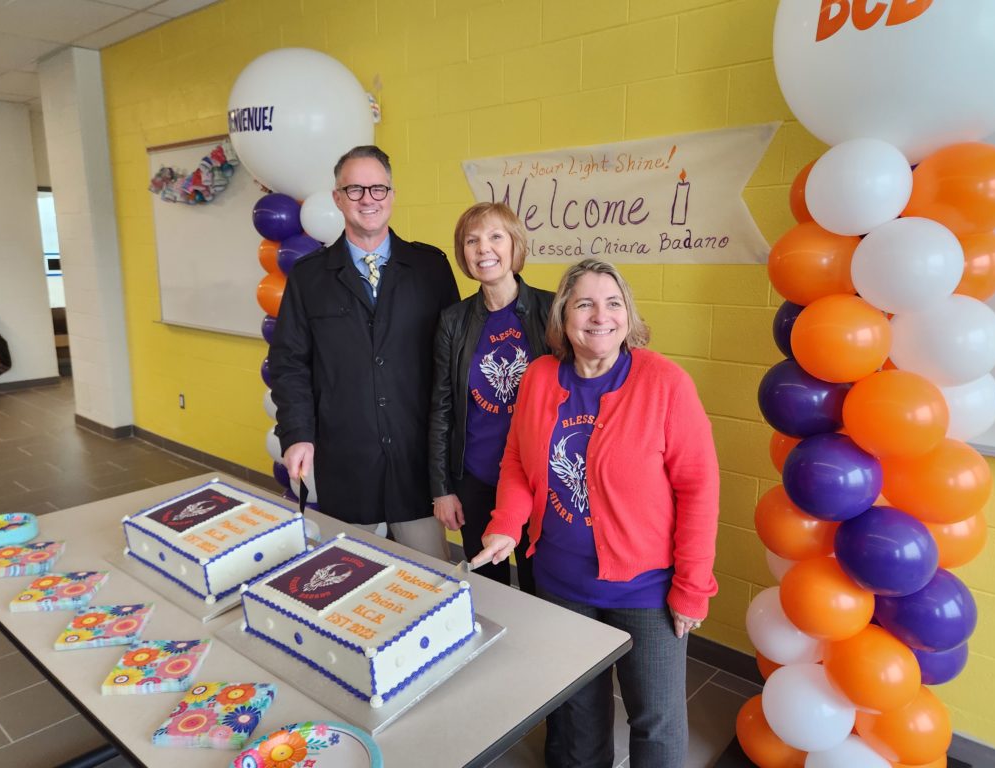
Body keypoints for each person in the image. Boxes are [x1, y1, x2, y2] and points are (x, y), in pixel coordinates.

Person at [473, 258, 720, 768]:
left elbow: (699, 488)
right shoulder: (541, 376)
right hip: (560, 584)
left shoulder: (665, 383)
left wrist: (692, 586)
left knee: (655, 723)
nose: (599, 316)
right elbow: (518, 460)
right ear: (564, 316)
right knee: (574, 720)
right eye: (584, 303)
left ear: (628, 315)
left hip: (645, 590)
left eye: (613, 303)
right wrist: (505, 525)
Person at [269, 145, 460, 559]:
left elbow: (453, 364)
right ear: (337, 198)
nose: (367, 199)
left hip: (416, 465)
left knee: (430, 580)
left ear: (392, 195)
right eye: (354, 189)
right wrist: (297, 433)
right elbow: (289, 364)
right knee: (350, 578)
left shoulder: (431, 269)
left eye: (378, 188)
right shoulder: (309, 279)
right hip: (347, 462)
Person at [428, 202, 553, 593]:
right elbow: (441, 407)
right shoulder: (454, 320)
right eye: (472, 240)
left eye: (495, 237)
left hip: (539, 480)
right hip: (477, 478)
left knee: (542, 589)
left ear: (515, 245)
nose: (484, 249)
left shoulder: (552, 309)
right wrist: (442, 488)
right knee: (489, 589)